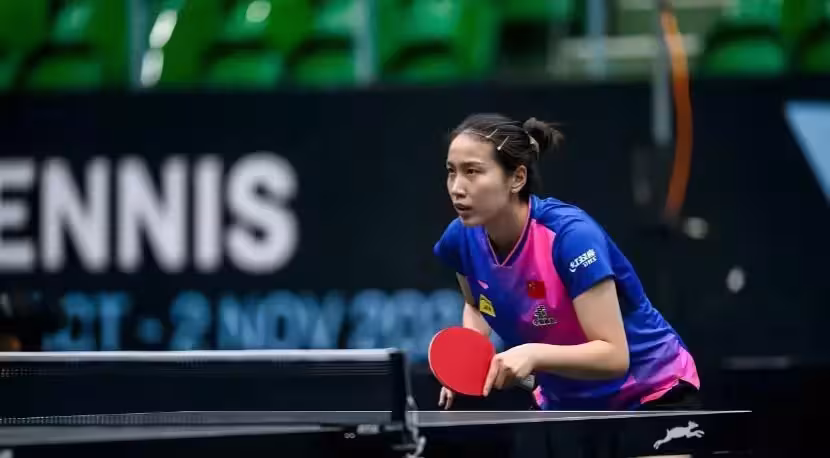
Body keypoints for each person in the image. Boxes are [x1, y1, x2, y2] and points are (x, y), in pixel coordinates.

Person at [433, 113, 700, 411]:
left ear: (517, 178)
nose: (457, 187)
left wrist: (533, 354)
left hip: (651, 391)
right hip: (564, 404)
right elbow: (476, 304)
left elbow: (614, 356)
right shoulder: (460, 239)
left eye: (472, 171)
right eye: (451, 172)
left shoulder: (570, 237)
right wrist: (468, 359)